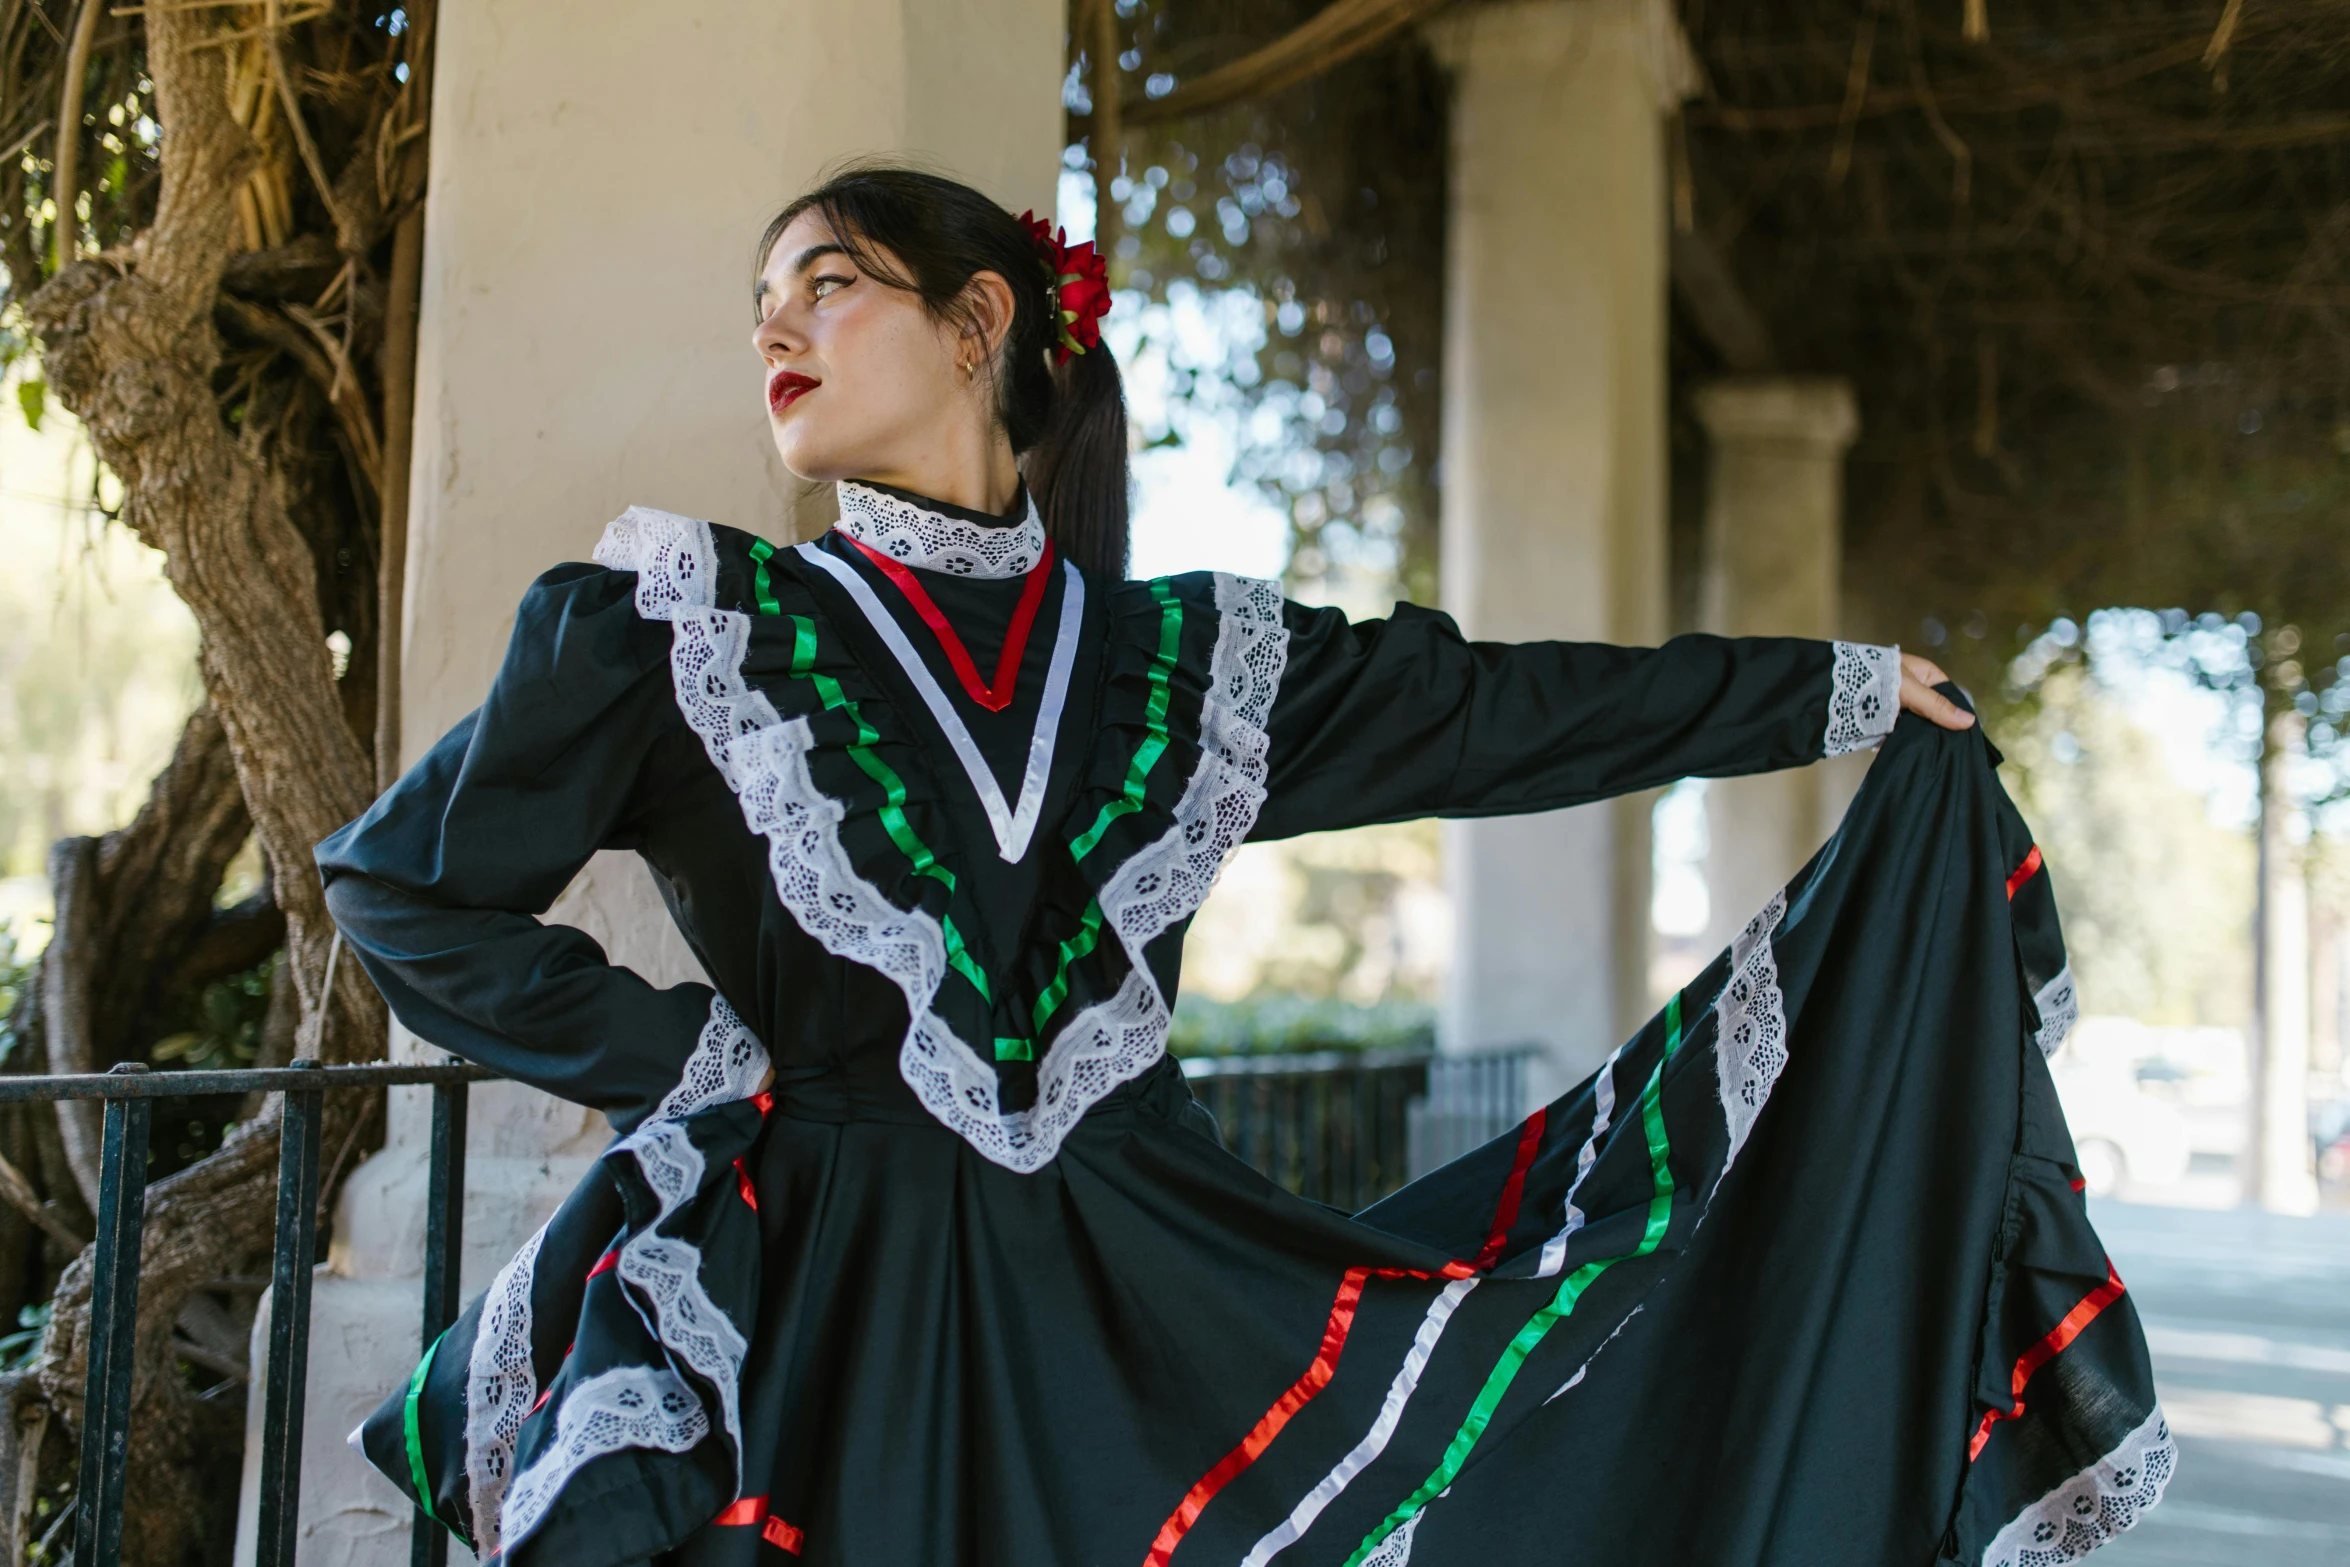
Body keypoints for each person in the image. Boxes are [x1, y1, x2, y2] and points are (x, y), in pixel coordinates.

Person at [326, 167, 2168, 1567]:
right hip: (823, 1288)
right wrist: (688, 1061)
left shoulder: (1175, 672)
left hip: (1145, 1306)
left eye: (828, 283)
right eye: (760, 303)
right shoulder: (683, 626)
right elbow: (403, 886)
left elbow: (1486, 712)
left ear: (979, 326)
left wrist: (1824, 690)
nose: (775, 330)